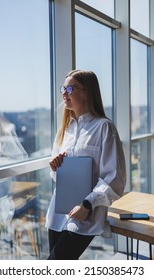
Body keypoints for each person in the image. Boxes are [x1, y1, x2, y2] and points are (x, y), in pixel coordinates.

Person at [45, 70, 126, 260]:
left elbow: (115, 178)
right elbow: (58, 177)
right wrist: (55, 166)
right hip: (58, 213)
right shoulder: (66, 129)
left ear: (87, 92)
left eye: (70, 88)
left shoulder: (104, 128)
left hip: (85, 215)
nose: (65, 93)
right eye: (63, 88)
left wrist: (88, 204)